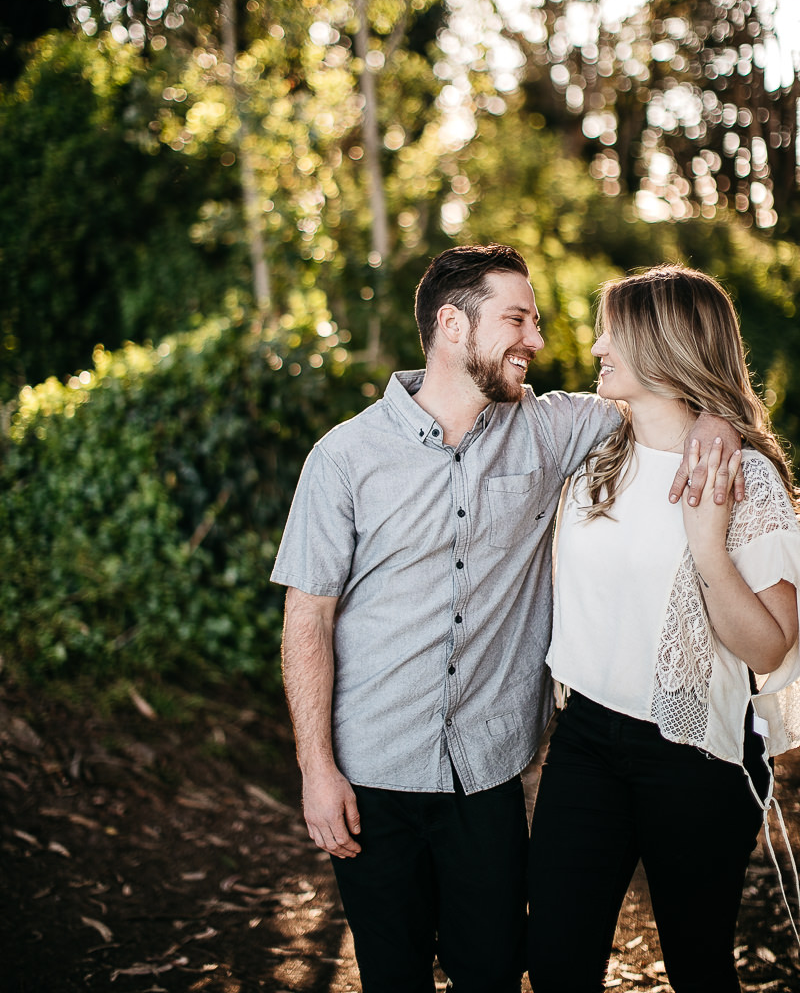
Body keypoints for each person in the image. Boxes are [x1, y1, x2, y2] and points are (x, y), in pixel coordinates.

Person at [272, 244, 739, 993]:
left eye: (537, 320)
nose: (537, 339)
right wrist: (315, 768)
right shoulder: (344, 458)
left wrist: (718, 420)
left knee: (491, 972)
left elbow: (665, 384)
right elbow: (308, 619)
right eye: (517, 319)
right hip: (369, 777)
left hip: (487, 777)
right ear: (453, 325)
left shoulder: (554, 428)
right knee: (391, 976)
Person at [527, 264, 800, 993]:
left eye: (614, 329)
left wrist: (708, 544)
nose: (596, 344)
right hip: (585, 737)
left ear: (665, 343)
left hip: (696, 757)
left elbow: (770, 646)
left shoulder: (745, 478)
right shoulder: (592, 452)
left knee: (697, 964)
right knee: (555, 959)